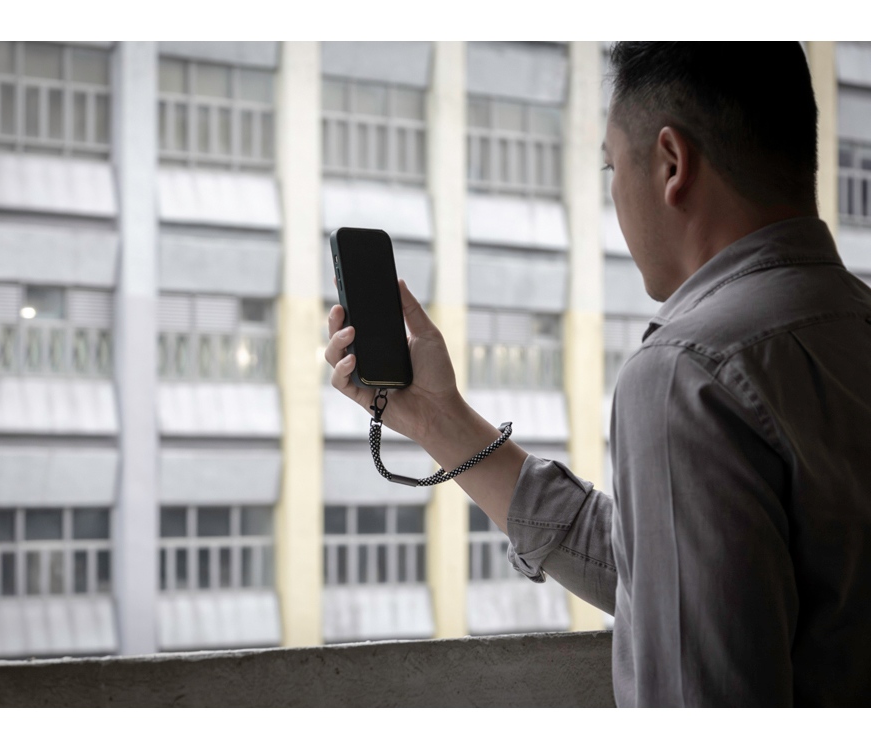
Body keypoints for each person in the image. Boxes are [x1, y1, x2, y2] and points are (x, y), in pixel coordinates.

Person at [324, 42, 871, 707]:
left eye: (612, 165)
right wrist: (440, 420)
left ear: (672, 164)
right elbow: (673, 578)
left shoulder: (687, 371)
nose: (614, 193)